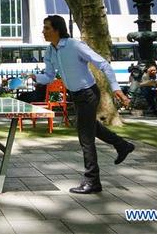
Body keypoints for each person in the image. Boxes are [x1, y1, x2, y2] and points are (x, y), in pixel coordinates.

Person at [29, 15, 133, 194]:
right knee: (91, 127)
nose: (43, 31)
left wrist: (116, 89)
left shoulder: (75, 46)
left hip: (89, 93)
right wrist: (35, 78)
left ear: (57, 29)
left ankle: (93, 181)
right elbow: (50, 76)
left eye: (46, 28)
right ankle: (123, 145)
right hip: (76, 95)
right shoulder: (50, 51)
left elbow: (104, 65)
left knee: (85, 137)